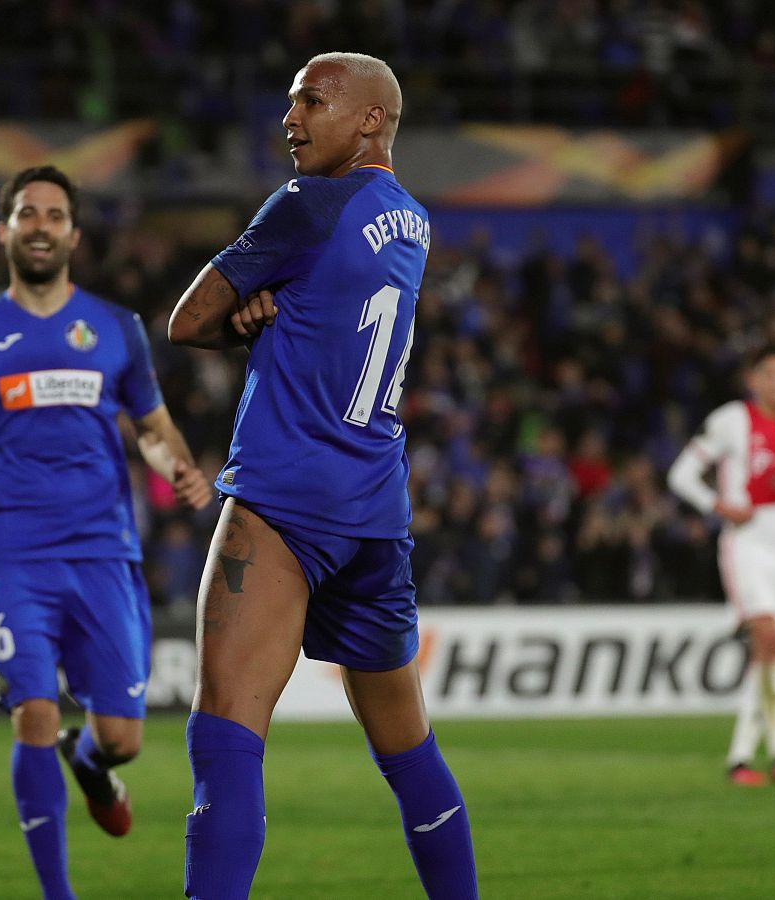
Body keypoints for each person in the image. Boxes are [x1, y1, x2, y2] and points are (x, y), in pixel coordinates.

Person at [167, 52, 478, 900]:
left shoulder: (309, 202)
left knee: (225, 735)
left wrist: (242, 323)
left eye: (312, 100)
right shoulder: (410, 220)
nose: (290, 118)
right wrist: (276, 311)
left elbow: (187, 320)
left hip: (283, 500)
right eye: (291, 101)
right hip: (374, 508)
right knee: (409, 753)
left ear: (371, 119)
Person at [0, 165, 211, 900]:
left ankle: (91, 766)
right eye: (28, 214)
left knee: (121, 739)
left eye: (54, 215)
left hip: (103, 552)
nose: (41, 226)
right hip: (13, 554)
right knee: (34, 711)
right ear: (5, 231)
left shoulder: (115, 330)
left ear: (74, 235)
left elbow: (150, 425)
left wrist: (175, 464)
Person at [668, 346, 775, 786]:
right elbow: (681, 475)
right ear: (752, 381)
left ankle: (741, 757)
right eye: (768, 374)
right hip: (748, 540)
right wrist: (718, 505)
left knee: (770, 651)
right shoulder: (730, 421)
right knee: (764, 635)